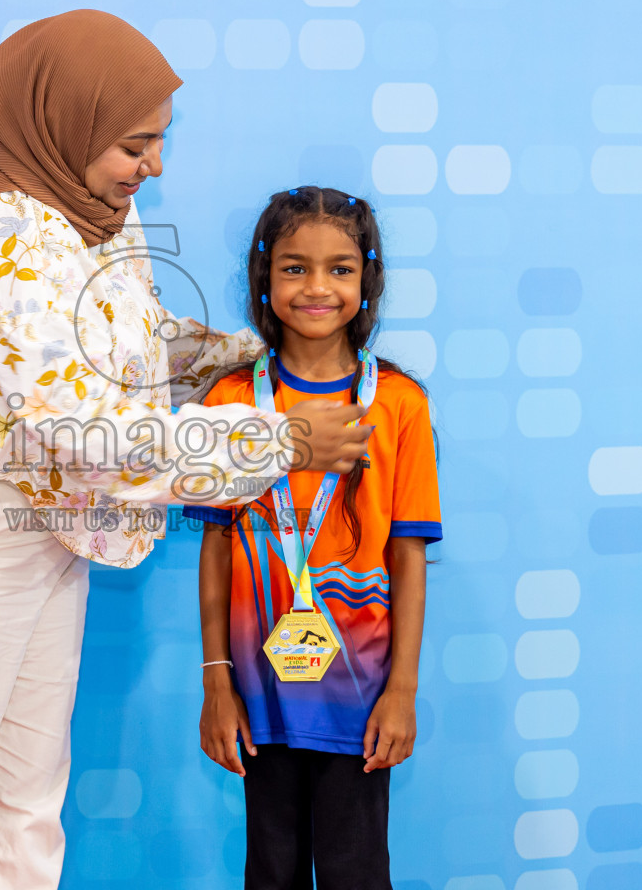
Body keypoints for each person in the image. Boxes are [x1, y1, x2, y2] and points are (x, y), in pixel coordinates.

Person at [0, 13, 373, 890]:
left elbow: (120, 350)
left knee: (21, 810)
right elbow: (79, 422)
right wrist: (279, 436)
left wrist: (243, 357)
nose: (155, 165)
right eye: (137, 143)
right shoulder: (5, 227)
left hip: (41, 531)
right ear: (68, 122)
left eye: (161, 141)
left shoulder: (92, 212)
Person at [187, 187, 443, 890]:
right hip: (258, 695)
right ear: (265, 279)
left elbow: (409, 555)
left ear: (368, 280)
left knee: (355, 873)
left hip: (358, 699)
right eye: (295, 268)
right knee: (269, 874)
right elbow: (215, 549)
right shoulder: (230, 403)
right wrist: (217, 682)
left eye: (340, 268)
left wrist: (402, 691)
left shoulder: (397, 403)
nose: (318, 287)